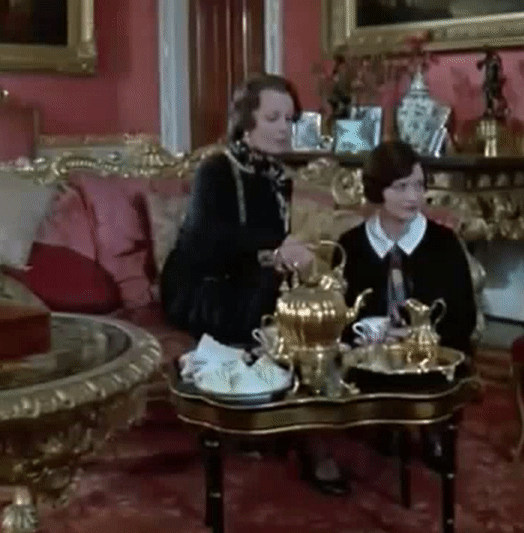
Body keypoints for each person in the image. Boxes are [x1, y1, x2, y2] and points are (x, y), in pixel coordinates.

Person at [337, 140, 477, 464]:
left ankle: (433, 427)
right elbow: (343, 316)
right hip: (372, 357)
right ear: (378, 189)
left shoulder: (444, 244)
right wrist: (371, 332)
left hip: (430, 356)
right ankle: (380, 422)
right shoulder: (352, 245)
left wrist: (417, 336)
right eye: (400, 187)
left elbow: (463, 317)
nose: (413, 197)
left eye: (418, 185)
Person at [160, 73, 314, 346]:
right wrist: (277, 246)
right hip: (201, 284)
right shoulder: (216, 169)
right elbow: (206, 241)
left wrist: (288, 255)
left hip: (251, 279)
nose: (284, 128)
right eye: (272, 118)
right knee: (268, 304)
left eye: (289, 119)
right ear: (246, 122)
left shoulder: (279, 178)